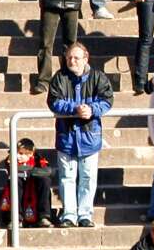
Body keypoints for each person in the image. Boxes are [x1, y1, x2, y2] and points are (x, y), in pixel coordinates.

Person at [48, 42, 113, 230]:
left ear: (86, 59)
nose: (72, 61)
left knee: (88, 177)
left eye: (76, 58)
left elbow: (107, 100)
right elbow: (53, 101)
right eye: (69, 58)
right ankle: (69, 214)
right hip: (66, 137)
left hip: (89, 137)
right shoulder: (59, 78)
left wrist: (92, 110)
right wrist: (73, 109)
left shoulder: (98, 77)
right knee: (67, 178)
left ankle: (85, 214)